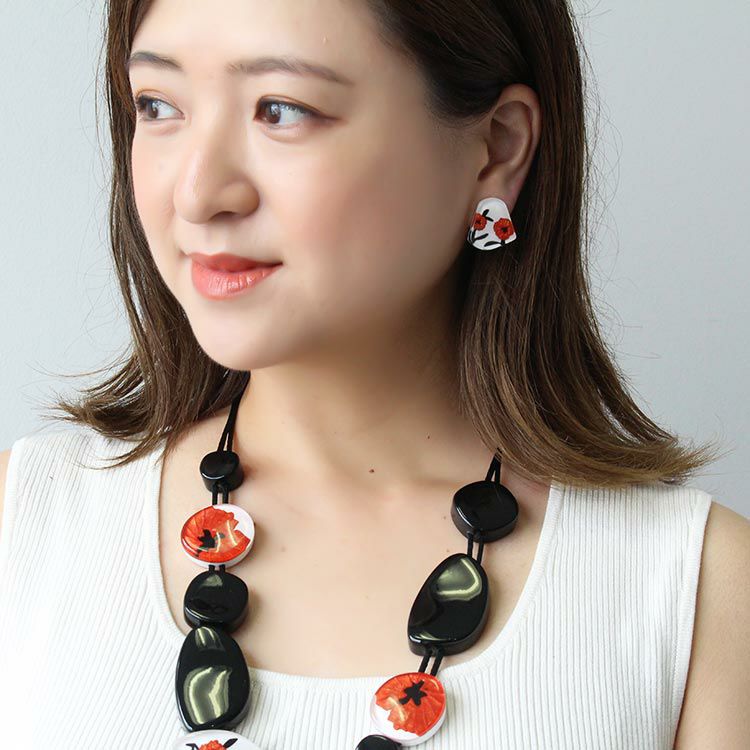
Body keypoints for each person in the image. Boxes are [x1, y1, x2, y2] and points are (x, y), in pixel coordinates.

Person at [0, 0, 747, 747]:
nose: (196, 193)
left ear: (496, 147)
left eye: (281, 110)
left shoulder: (699, 594)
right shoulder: (26, 526)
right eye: (159, 106)